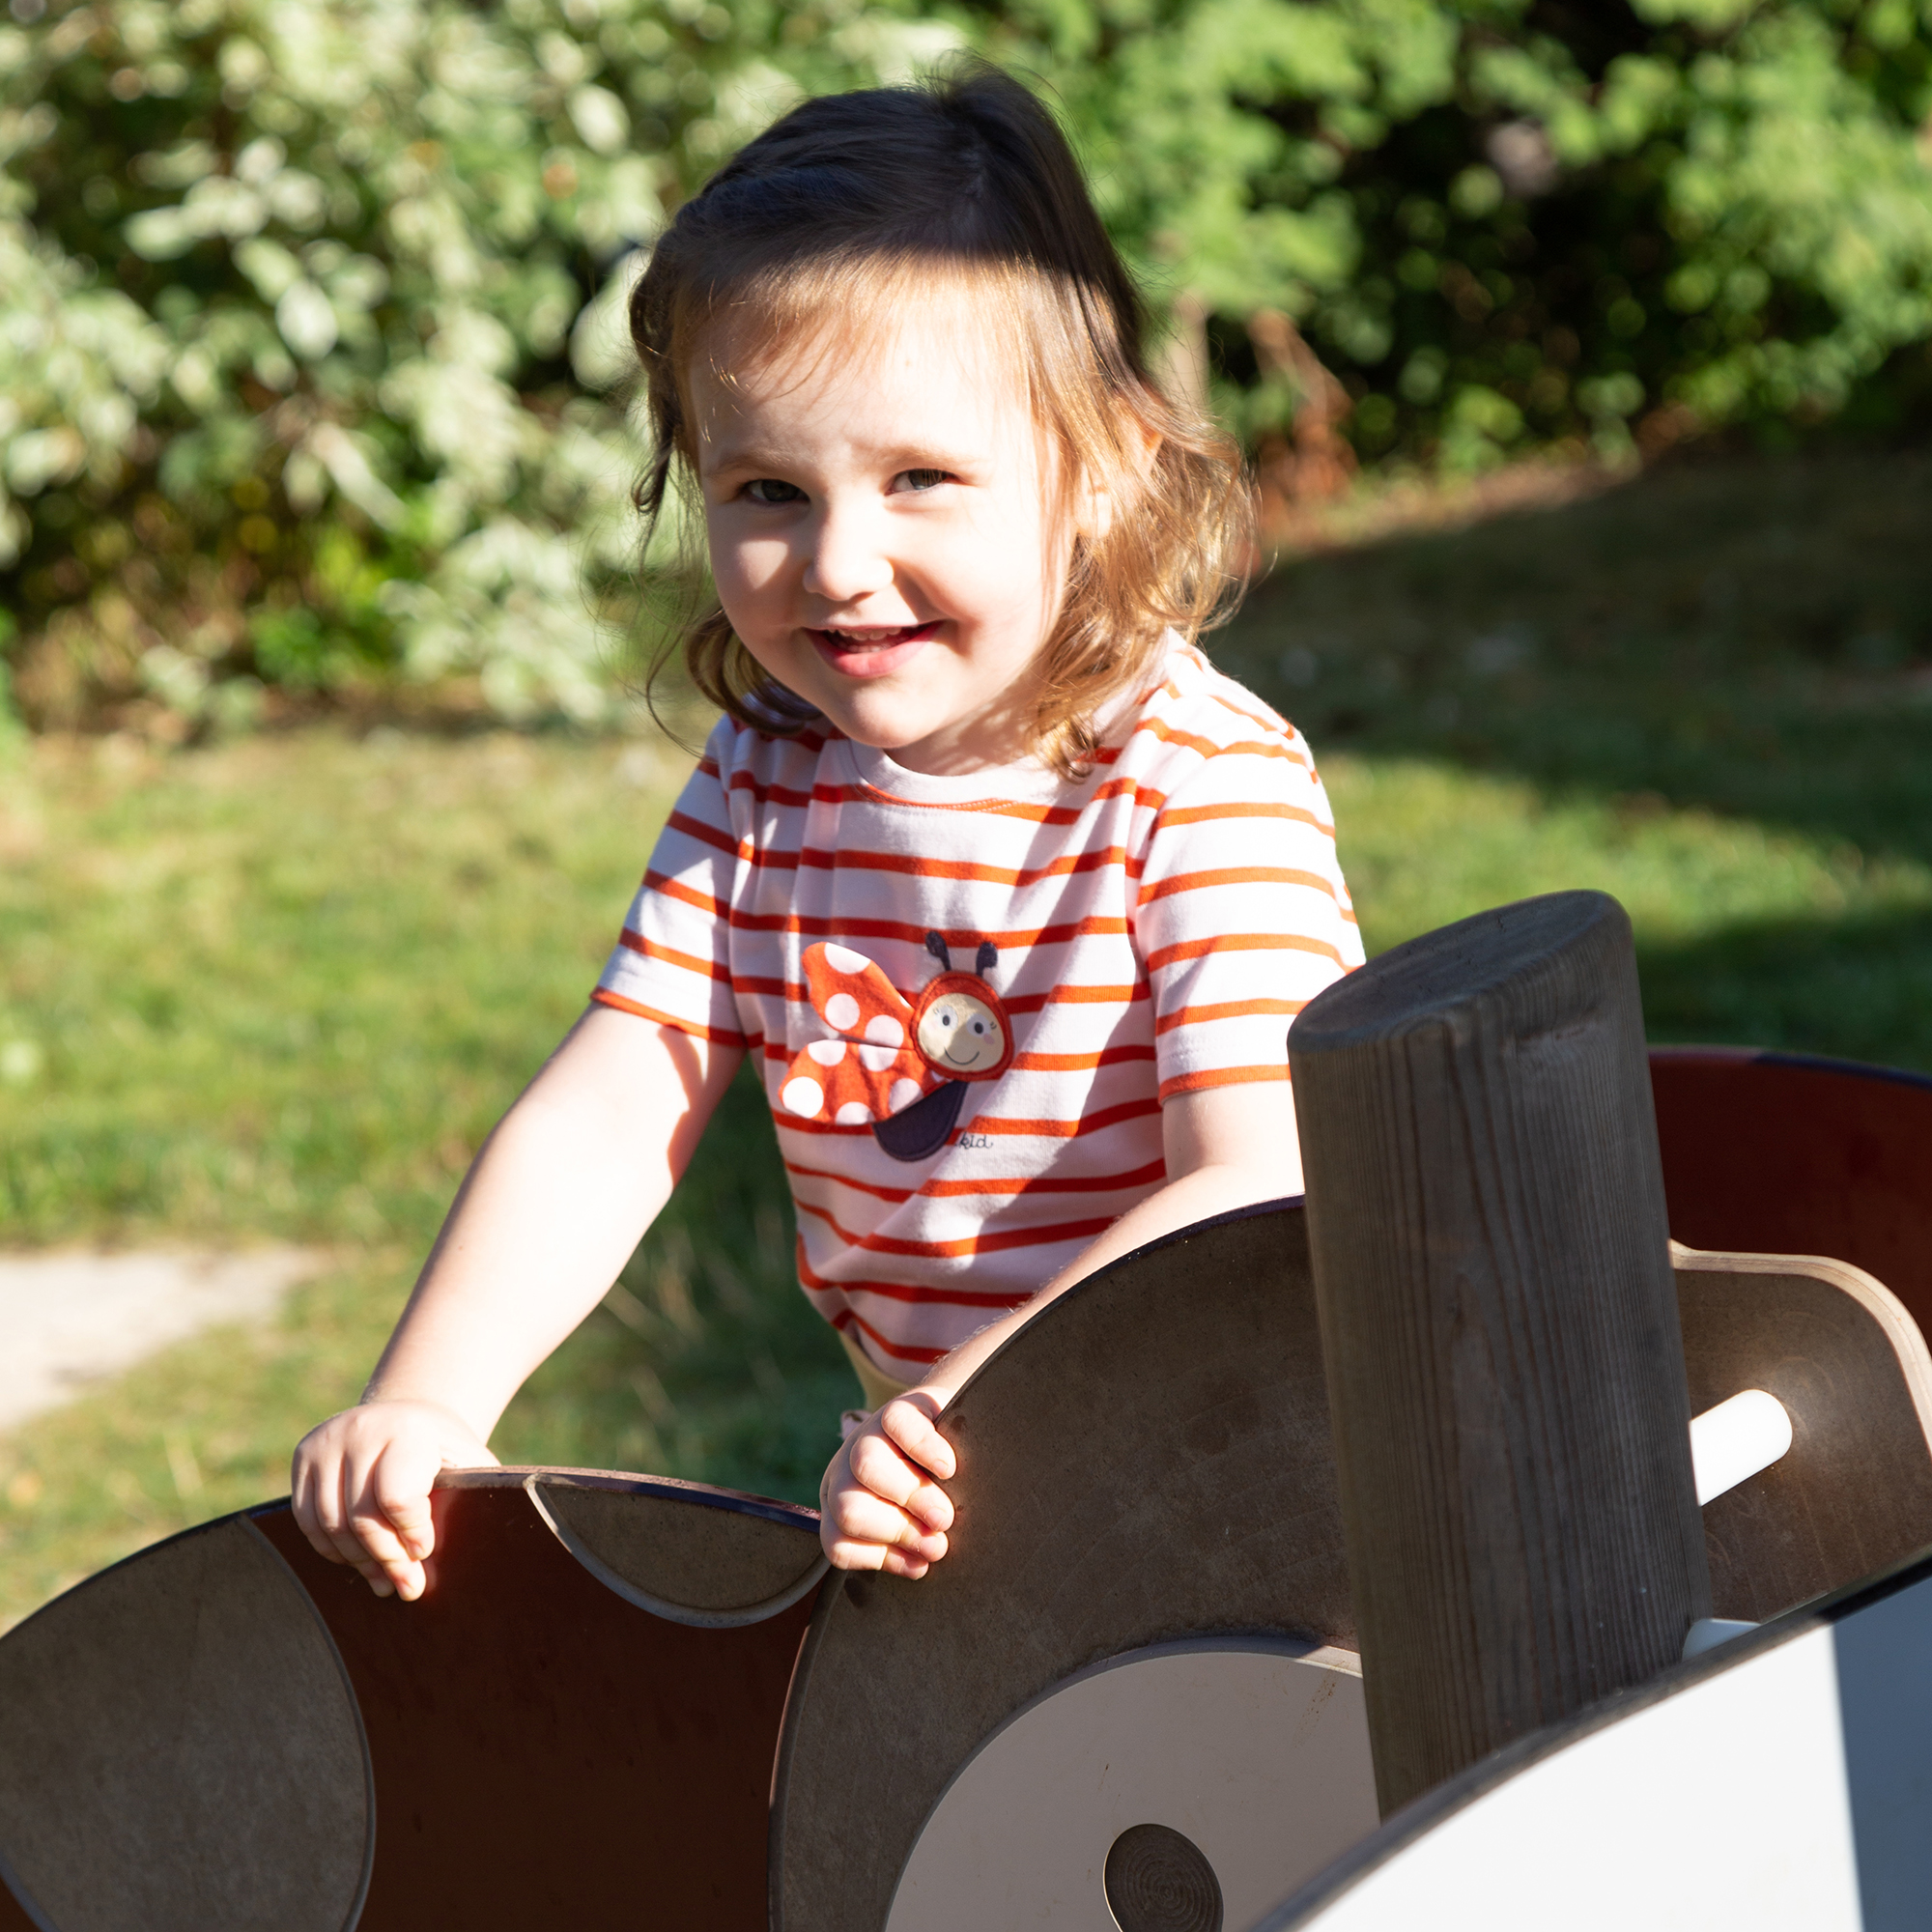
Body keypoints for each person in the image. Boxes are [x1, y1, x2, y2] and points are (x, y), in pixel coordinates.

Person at [291, 63, 1362, 1602]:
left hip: (1253, 1489)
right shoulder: (773, 776)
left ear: (1104, 464)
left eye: (921, 479)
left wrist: (956, 1404)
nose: (840, 563)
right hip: (965, 1497)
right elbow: (616, 1101)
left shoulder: (1192, 782)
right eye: (769, 489)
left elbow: (1258, 1188)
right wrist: (434, 1393)